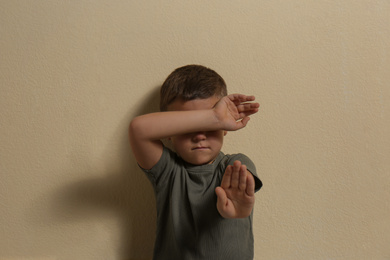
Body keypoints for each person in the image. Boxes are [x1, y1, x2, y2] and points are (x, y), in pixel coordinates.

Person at [129, 65, 262, 260]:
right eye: (191, 124)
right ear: (168, 133)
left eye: (210, 126)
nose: (200, 135)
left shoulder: (235, 164)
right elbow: (138, 129)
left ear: (225, 128)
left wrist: (240, 209)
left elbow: (242, 187)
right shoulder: (167, 172)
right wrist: (213, 117)